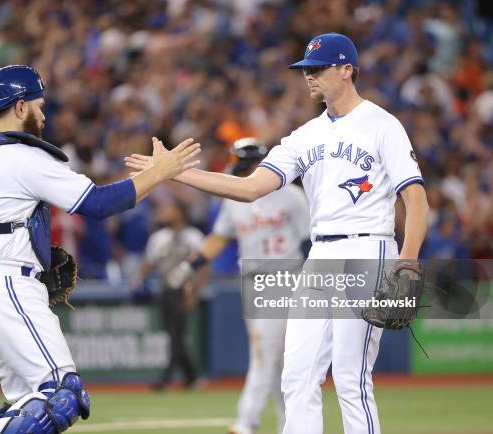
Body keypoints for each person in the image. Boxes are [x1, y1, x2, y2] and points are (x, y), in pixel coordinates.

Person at [126, 33, 429, 434]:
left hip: (368, 246)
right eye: (306, 70)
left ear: (346, 70)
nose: (309, 77)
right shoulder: (307, 134)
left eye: (317, 69)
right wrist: (177, 172)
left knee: (350, 379)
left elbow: (417, 199)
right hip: (320, 255)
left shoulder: (381, 124)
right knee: (297, 374)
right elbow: (250, 188)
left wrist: (407, 260)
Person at [0, 65, 200, 434]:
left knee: (26, 404)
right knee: (61, 396)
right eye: (39, 105)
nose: (43, 113)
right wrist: (160, 171)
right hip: (7, 285)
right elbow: (98, 204)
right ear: (20, 107)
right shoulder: (25, 157)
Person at [167, 137, 310, 434]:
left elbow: (312, 239)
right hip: (254, 281)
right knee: (275, 358)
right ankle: (290, 424)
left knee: (265, 353)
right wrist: (188, 266)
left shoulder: (290, 195)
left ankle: (247, 422)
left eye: (243, 166)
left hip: (287, 277)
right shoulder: (234, 199)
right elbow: (220, 237)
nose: (240, 172)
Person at [136, 200, 204, 390]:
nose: (164, 212)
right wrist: (139, 280)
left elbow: (203, 267)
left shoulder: (193, 236)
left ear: (180, 213)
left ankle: (165, 379)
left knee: (177, 335)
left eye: (169, 208)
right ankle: (192, 377)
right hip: (166, 289)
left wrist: (194, 290)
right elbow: (149, 263)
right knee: (174, 335)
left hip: (184, 289)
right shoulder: (159, 237)